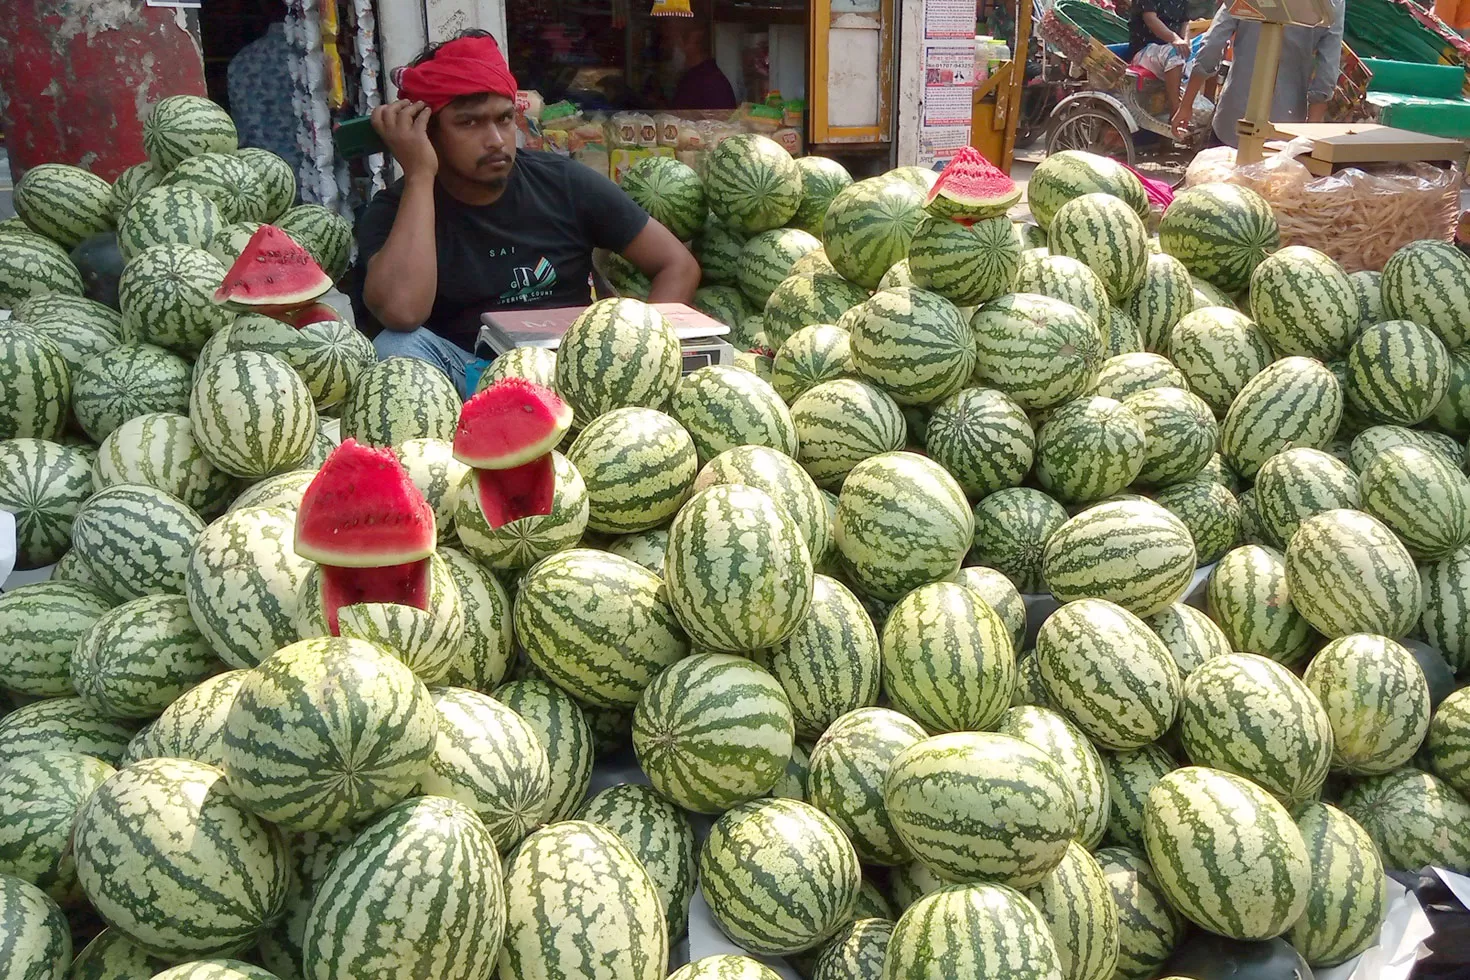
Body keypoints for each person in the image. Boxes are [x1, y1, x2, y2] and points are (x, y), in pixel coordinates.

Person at [356, 31, 701, 395]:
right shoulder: (395, 210)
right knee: (395, 350)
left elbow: (677, 264)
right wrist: (420, 175)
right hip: (464, 377)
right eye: (469, 123)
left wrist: (641, 355)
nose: (495, 140)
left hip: (569, 373)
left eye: (504, 119)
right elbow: (402, 313)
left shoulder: (564, 183)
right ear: (428, 132)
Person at [1170, 0, 1345, 146]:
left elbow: (1211, 45)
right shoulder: (1333, 3)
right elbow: (1327, 73)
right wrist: (1308, 134)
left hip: (1232, 121)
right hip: (1285, 133)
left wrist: (1186, 106)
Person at [226, 12, 303, 176]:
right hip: (311, 166)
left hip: (261, 171)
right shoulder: (307, 54)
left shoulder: (241, 60)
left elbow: (239, 128)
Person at [1127, 0, 1192, 117]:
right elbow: (1150, 19)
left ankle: (1208, 105)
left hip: (1171, 46)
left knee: (1210, 47)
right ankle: (1175, 112)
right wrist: (1174, 39)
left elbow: (1185, 22)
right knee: (1174, 54)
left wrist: (1185, 41)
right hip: (1145, 50)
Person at [663, 16, 738, 110]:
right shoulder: (691, 78)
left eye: (672, 40)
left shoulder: (711, 83)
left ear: (693, 40)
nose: (668, 47)